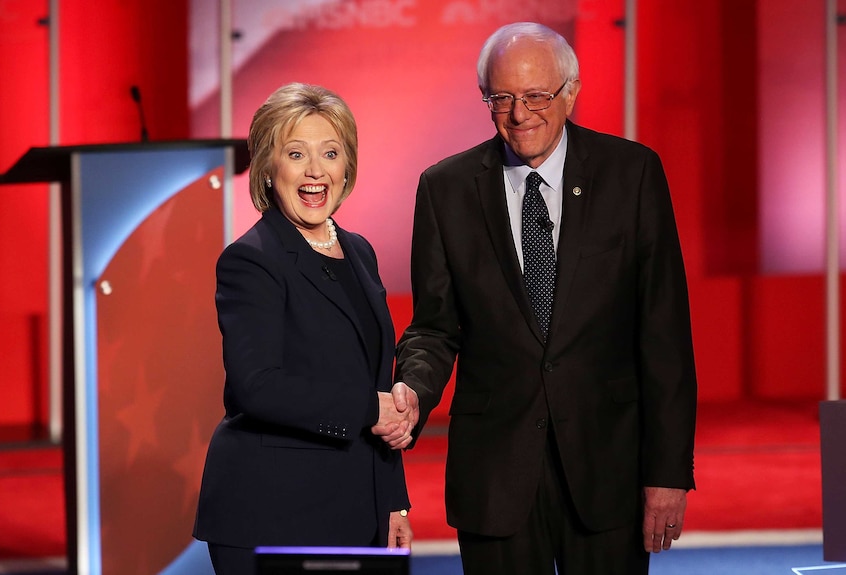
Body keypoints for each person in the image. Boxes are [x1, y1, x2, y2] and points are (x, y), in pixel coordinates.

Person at [392, 21, 697, 575]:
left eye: (536, 95)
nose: (519, 113)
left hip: (608, 471)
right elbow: (435, 327)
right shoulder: (445, 189)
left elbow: (664, 336)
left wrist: (668, 472)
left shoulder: (632, 175)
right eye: (502, 97)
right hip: (495, 474)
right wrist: (413, 388)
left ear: (571, 93)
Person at [193, 82, 413, 575]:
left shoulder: (359, 251)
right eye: (297, 153)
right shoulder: (251, 260)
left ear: (346, 166)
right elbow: (257, 386)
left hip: (360, 507)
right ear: (270, 169)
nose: (316, 171)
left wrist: (394, 500)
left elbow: (376, 384)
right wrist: (366, 410)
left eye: (330, 153)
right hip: (273, 511)